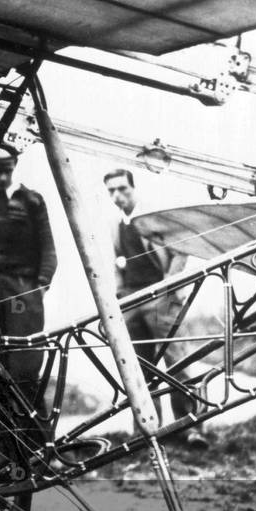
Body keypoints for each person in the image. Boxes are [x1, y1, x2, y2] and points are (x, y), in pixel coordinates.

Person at [103, 168, 206, 448]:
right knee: (138, 367)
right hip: (132, 302)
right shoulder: (115, 224)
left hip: (162, 299)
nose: (117, 195)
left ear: (133, 188)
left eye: (122, 188)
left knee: (178, 363)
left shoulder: (152, 218)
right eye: (111, 190)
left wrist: (170, 288)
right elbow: (116, 261)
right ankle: (147, 433)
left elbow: (180, 248)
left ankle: (191, 427)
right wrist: (121, 297)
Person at [0, 147, 56, 411]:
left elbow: (49, 250)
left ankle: (38, 443)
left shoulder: (32, 200)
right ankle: (6, 445)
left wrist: (39, 287)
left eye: (6, 171)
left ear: (14, 168)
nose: (1, 178)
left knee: (25, 365)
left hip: (22, 291)